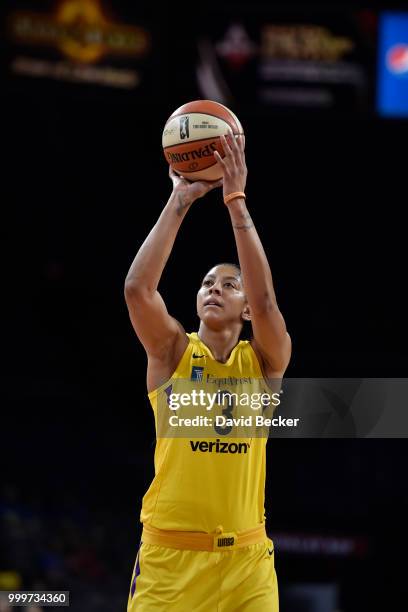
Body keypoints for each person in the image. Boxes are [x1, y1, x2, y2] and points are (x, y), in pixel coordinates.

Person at [124, 129, 291, 611]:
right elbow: (138, 290)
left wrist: (236, 202)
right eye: (206, 282)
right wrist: (179, 200)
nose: (214, 288)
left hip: (247, 563)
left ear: (244, 310)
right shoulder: (173, 352)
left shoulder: (264, 361)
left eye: (228, 283)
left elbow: (266, 303)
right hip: (170, 563)